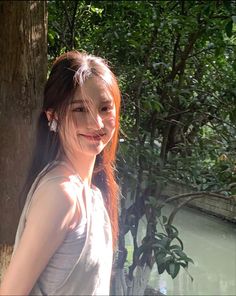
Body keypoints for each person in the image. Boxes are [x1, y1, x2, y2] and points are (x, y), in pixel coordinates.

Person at [0, 50, 121, 295]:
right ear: (53, 116)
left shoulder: (93, 194)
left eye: (105, 108)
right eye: (80, 109)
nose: (97, 123)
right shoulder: (61, 194)